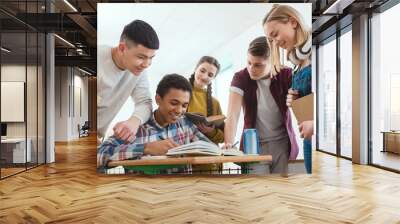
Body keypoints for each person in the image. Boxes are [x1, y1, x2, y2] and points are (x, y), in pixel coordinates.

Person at [97, 74, 211, 171]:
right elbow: (99, 155)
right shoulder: (137, 128)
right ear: (158, 99)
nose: (179, 110)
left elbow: (209, 147)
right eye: (174, 103)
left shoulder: (185, 124)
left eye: (184, 105)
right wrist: (145, 148)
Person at [223, 36, 299, 175]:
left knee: (281, 188)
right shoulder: (240, 77)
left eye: (258, 65)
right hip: (253, 146)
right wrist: (228, 143)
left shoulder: (287, 75)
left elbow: (301, 99)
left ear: (273, 61)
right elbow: (233, 115)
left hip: (282, 143)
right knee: (257, 189)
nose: (251, 68)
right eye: (249, 62)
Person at [263, 4, 313, 173]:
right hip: (308, 140)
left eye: (275, 34)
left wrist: (315, 122)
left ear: (293, 22)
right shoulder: (297, 66)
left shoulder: (318, 51)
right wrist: (296, 103)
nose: (275, 42)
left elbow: (336, 99)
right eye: (271, 39)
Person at [97, 20, 159, 142]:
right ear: (122, 48)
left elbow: (145, 102)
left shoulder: (138, 71)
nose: (146, 64)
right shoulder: (98, 59)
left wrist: (134, 121)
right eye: (141, 57)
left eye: (151, 58)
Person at [187, 56, 224, 144]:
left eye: (210, 75)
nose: (204, 76)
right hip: (181, 150)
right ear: (196, 69)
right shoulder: (180, 93)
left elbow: (223, 137)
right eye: (202, 71)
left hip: (207, 153)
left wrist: (211, 132)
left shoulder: (215, 103)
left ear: (213, 78)